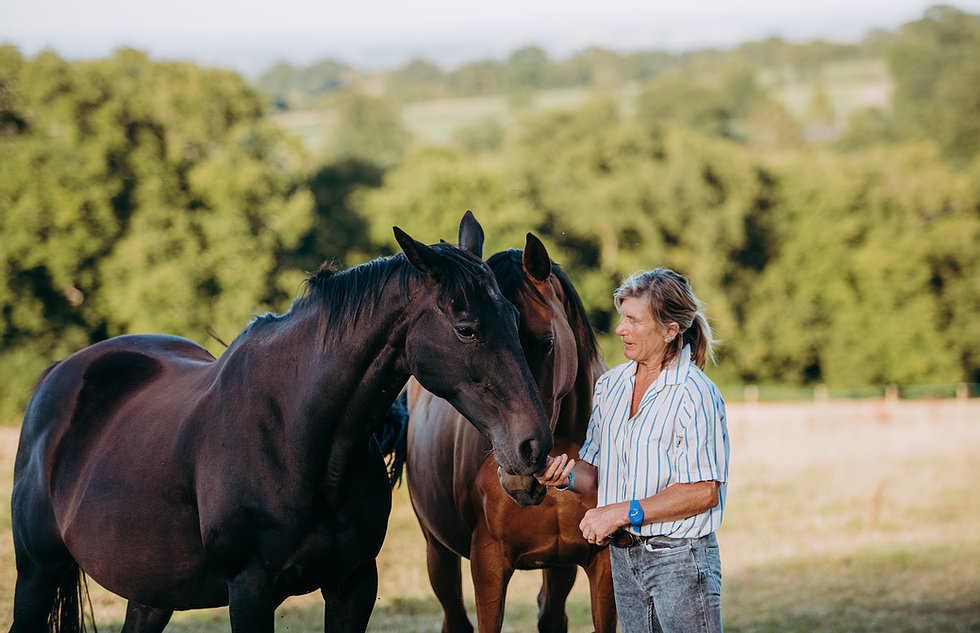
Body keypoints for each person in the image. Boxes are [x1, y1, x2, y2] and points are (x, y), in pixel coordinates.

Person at [536, 268, 729, 633]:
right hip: (624, 559)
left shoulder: (695, 394)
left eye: (633, 320)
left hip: (680, 562)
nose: (620, 329)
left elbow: (704, 491)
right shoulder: (610, 386)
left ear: (670, 330)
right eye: (621, 317)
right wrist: (559, 474)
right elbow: (593, 472)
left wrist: (621, 513)